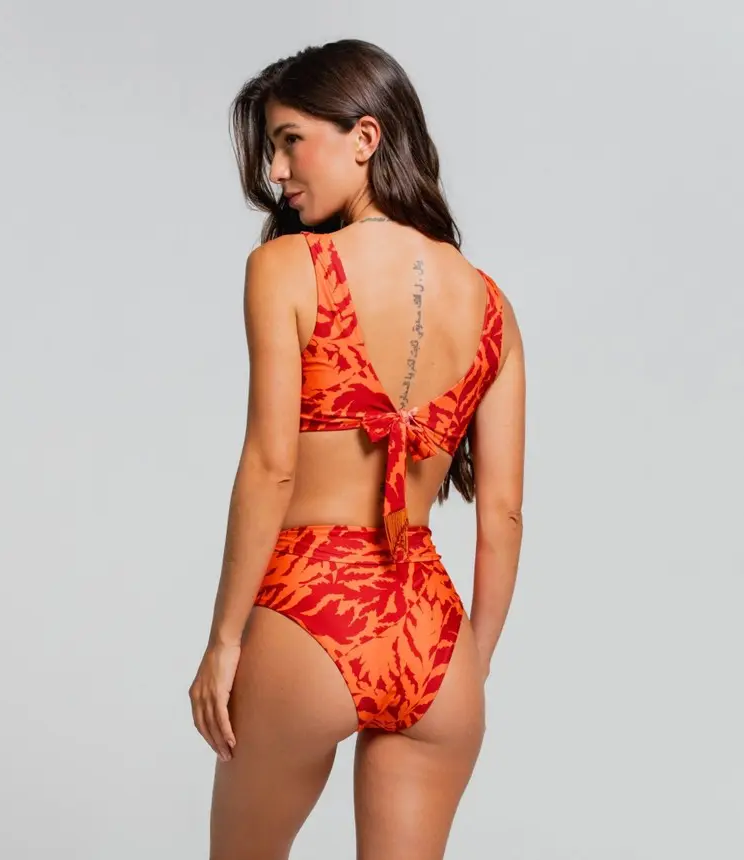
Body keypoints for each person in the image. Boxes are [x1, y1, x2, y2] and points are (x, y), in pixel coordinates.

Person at [189, 38, 525, 860]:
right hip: (434, 635)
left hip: (312, 608)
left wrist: (224, 641)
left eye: (290, 140)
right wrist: (471, 665)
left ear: (365, 137)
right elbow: (504, 516)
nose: (276, 170)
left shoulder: (286, 267)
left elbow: (272, 467)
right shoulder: (492, 306)